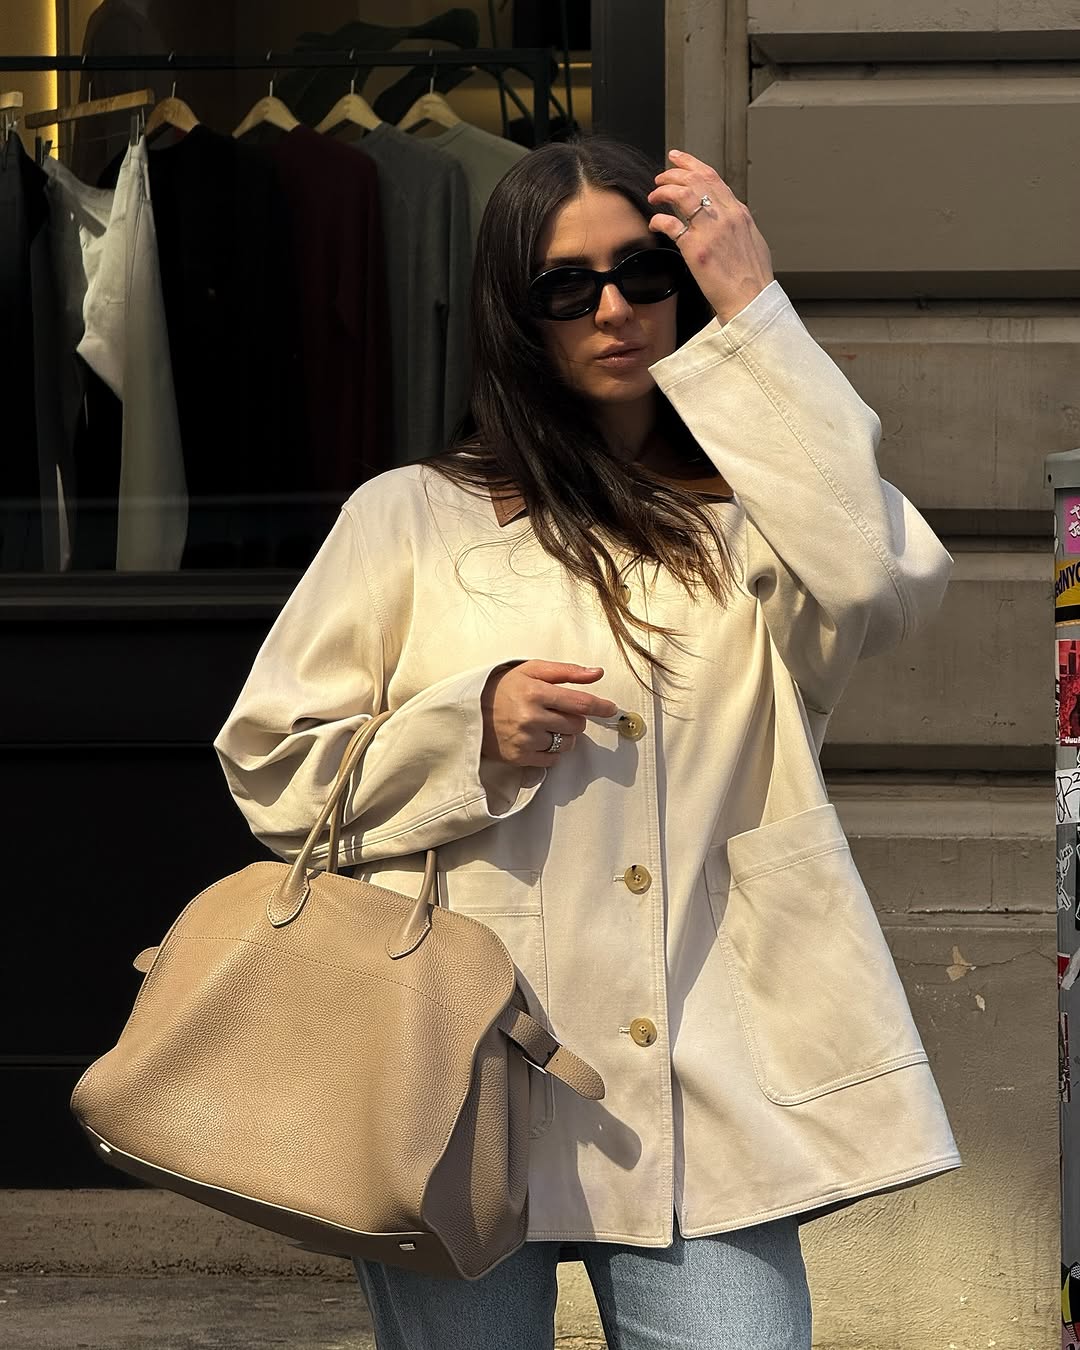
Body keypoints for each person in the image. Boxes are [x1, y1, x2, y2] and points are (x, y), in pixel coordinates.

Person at [214, 135, 961, 1350]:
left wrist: (755, 312)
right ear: (516, 315)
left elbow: (878, 583)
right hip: (450, 1081)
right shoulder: (411, 517)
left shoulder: (760, 524)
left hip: (708, 1077)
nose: (613, 309)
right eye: (567, 286)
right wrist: (468, 730)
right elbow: (271, 768)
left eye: (644, 273)